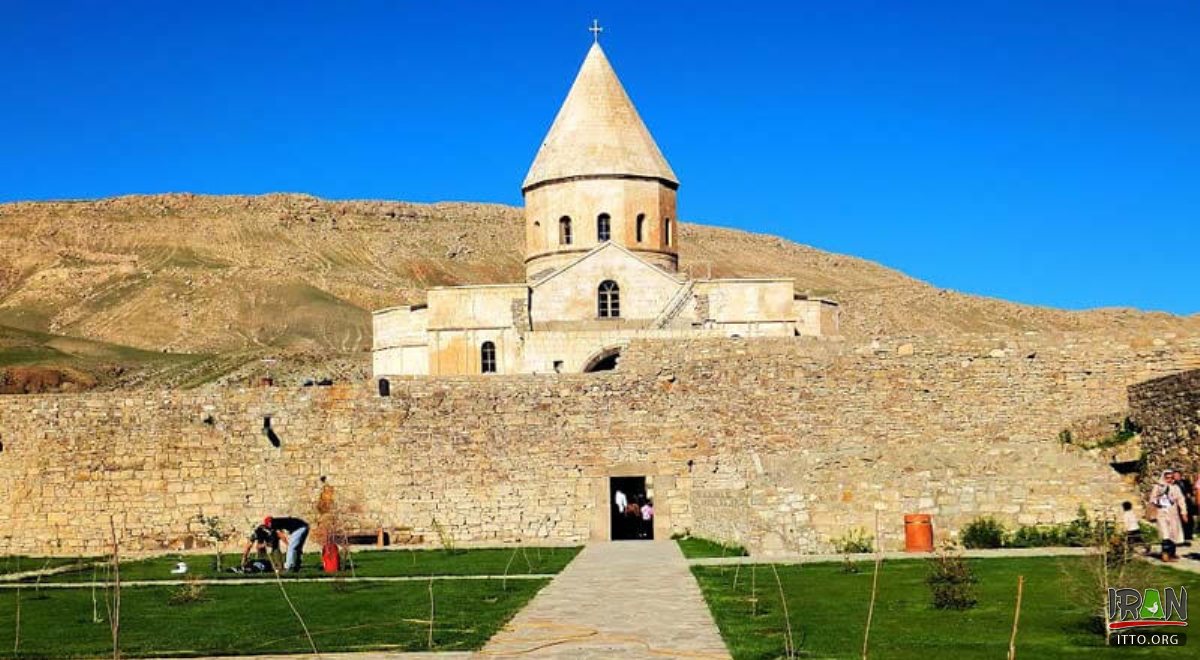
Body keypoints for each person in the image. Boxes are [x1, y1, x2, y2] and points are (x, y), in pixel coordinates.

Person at [1151, 471, 1188, 562]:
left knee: (1173, 534)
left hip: (1173, 514)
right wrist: (1158, 501)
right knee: (1165, 534)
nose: (1170, 480)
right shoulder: (1158, 487)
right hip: (1161, 513)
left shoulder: (1175, 488)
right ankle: (1165, 555)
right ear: (1164, 477)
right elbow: (1152, 498)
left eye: (1171, 478)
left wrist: (1184, 512)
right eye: (1167, 478)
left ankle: (1172, 553)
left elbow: (1181, 500)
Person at [1173, 469, 1196, 545]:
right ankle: (1182, 535)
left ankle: (1189, 534)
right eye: (1174, 475)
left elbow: (1191, 490)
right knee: (1181, 520)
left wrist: (1190, 494)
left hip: (1188, 503)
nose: (1176, 476)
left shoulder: (1185, 482)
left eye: (1177, 475)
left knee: (1190, 519)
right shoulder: (1173, 484)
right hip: (1179, 504)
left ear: (1180, 475)